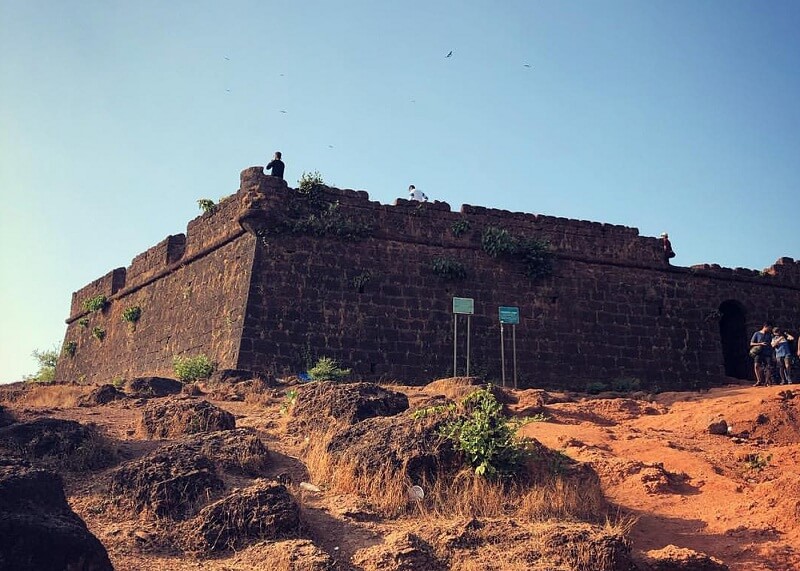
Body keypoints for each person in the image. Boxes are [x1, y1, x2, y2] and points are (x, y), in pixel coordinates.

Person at [750, 322, 773, 386]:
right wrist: (760, 344)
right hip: (759, 353)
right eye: (769, 328)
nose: (770, 329)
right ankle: (759, 381)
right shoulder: (757, 334)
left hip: (767, 352)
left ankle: (766, 382)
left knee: (768, 367)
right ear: (765, 326)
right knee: (756, 366)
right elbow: (751, 343)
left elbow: (772, 344)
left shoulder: (769, 335)